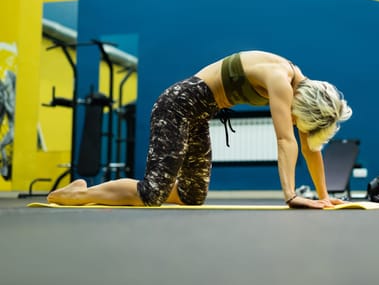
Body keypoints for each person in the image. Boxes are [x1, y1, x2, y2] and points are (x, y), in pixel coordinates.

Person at [47, 50, 352, 209]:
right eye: (301, 119)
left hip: (198, 114)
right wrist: (290, 195)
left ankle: (90, 190)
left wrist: (325, 197)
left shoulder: (300, 87)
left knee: (192, 195)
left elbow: (310, 146)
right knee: (152, 193)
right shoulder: (279, 79)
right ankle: (77, 194)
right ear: (304, 105)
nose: (297, 123)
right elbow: (286, 140)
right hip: (177, 106)